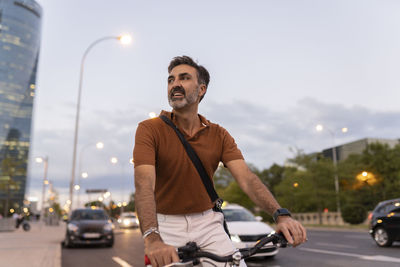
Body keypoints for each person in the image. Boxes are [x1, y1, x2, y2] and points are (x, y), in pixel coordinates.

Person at [133, 56, 307, 267]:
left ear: (202, 89)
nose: (175, 84)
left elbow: (247, 179)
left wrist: (280, 215)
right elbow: (144, 184)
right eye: (171, 80)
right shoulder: (150, 129)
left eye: (184, 78)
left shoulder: (219, 134)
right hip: (166, 224)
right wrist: (152, 239)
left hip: (208, 223)